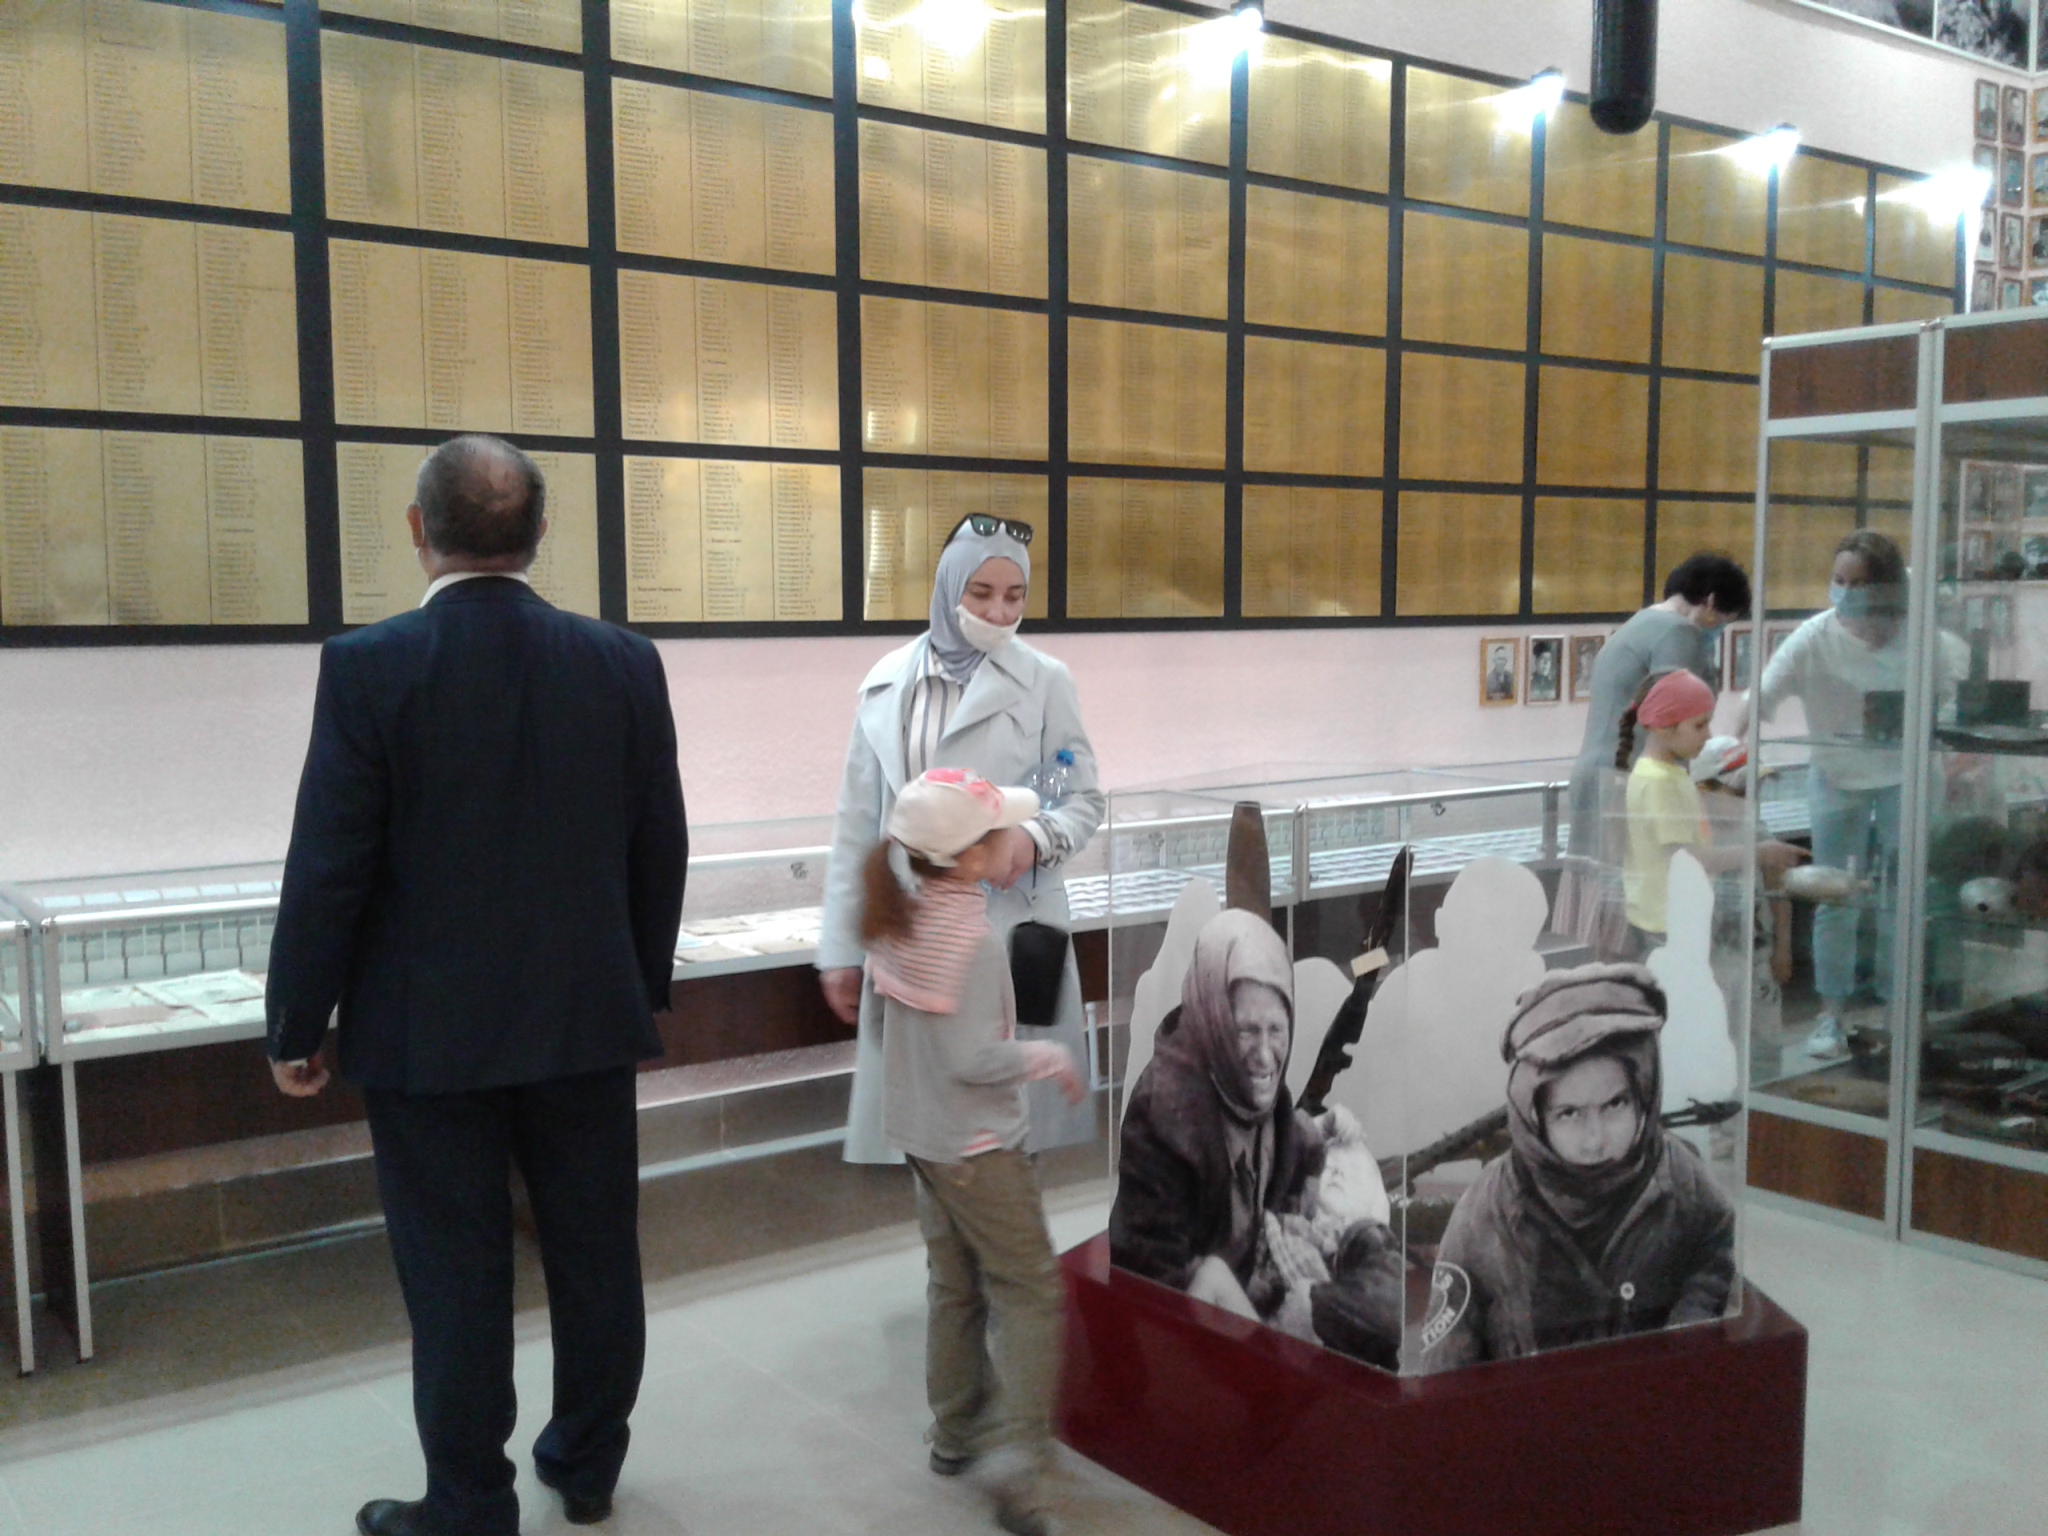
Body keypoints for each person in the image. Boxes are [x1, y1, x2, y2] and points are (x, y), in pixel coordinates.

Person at [265, 436, 687, 1536]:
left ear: (418, 529)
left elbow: (330, 861)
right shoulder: (623, 660)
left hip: (428, 1034)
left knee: (454, 1274)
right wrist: (638, 984)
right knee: (597, 1256)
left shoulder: (370, 666)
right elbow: (660, 843)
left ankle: (468, 1502)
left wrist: (298, 1022)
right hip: (585, 1018)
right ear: (541, 532)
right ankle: (586, 1465)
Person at [820, 517, 1103, 1163]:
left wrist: (1030, 839)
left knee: (1003, 1133)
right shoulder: (889, 684)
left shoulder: (1046, 681)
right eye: (981, 593)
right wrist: (839, 948)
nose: (998, 612)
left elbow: (1080, 797)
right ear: (949, 586)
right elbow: (857, 826)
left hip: (1004, 929)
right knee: (926, 1128)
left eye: (1014, 596)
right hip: (912, 937)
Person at [864, 768, 1086, 1536]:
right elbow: (973, 1058)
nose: (1008, 843)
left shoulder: (898, 918)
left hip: (923, 1143)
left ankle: (955, 1430)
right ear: (966, 859)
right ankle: (1022, 1469)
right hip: (979, 1147)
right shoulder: (976, 943)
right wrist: (1046, 1057)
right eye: (996, 835)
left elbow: (892, 1034)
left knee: (953, 1283)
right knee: (1030, 1289)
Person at [1109, 910, 1404, 1369]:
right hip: (1197, 1337)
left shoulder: (1245, 1084)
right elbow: (1157, 1284)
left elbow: (1281, 1133)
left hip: (1257, 1295)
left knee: (1378, 1284)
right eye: (1246, 1031)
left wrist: (1323, 1130)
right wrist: (1274, 1336)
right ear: (1213, 1020)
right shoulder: (1164, 1114)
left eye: (1276, 1030)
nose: (1265, 1056)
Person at [1419, 964, 1737, 1372]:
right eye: (1569, 1113)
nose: (1595, 1138)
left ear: (1643, 1092)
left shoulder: (1679, 1175)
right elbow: (1445, 1367)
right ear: (1534, 1114)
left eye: (1615, 1104)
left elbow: (1714, 1248)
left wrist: (1682, 1346)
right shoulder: (1487, 1210)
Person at [1756, 529, 1967, 1058]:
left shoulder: (1922, 638)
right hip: (1836, 777)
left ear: (1887, 587)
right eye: (1839, 580)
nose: (1846, 592)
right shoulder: (1813, 636)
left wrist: (1956, 753)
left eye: (1859, 583)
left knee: (1903, 896)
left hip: (1906, 778)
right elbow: (1761, 695)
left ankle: (1898, 1009)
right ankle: (1831, 1015)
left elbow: (1953, 699)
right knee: (1836, 898)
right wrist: (1729, 748)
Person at [1565, 552, 1749, 860]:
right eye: (1723, 622)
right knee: (1638, 878)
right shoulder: (1680, 632)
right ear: (1711, 602)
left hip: (1597, 773)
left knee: (1595, 876)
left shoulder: (1640, 623)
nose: (1719, 631)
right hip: (1632, 777)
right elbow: (1681, 713)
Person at [1618, 669, 1805, 955]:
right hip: (1668, 921)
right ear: (1664, 726)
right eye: (1699, 725)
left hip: (1675, 916)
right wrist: (1759, 852)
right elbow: (1688, 858)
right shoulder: (1659, 783)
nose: (1708, 735)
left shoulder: (1667, 775)